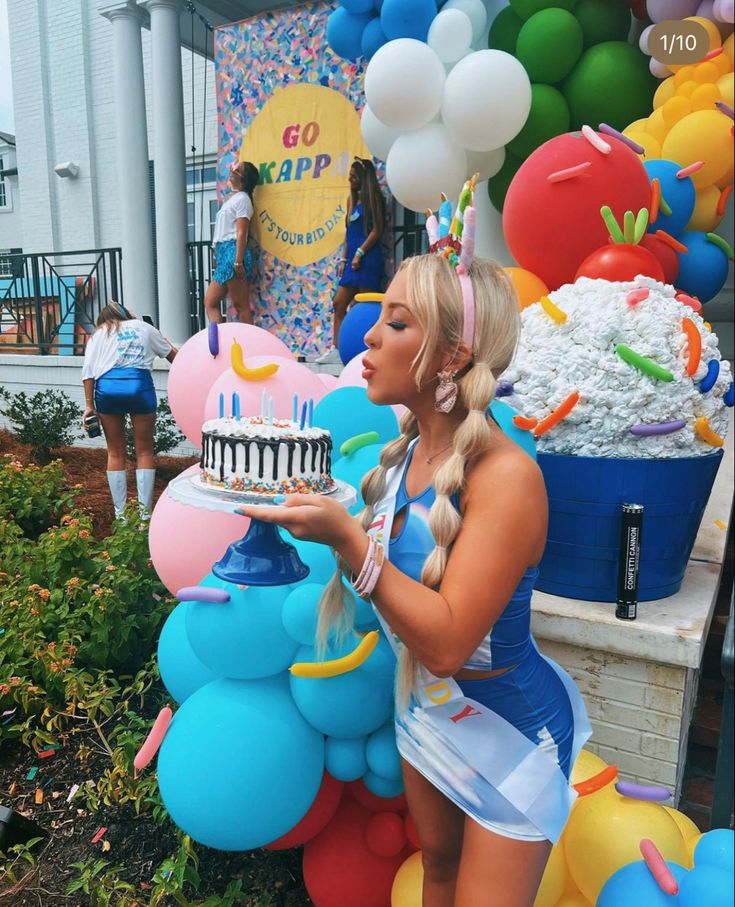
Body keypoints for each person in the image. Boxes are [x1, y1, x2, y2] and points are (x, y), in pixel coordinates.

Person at [239, 250, 589, 907]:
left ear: (452, 356)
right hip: (423, 708)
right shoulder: (402, 458)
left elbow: (449, 642)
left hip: (510, 731)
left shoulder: (506, 479)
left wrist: (346, 541)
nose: (367, 335)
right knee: (437, 868)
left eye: (395, 323)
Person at [81, 301, 177, 519]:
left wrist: (89, 406)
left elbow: (88, 373)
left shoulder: (99, 333)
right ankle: (145, 516)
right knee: (144, 451)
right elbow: (175, 357)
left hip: (108, 389)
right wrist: (164, 341)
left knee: (115, 452)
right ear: (125, 313)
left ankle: (121, 517)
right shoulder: (144, 327)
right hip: (139, 386)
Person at [316, 156, 385, 364]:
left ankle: (366, 352)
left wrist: (360, 253)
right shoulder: (351, 201)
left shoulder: (374, 200)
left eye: (354, 177)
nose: (350, 180)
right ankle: (337, 349)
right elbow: (349, 233)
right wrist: (345, 259)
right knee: (339, 303)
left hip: (368, 259)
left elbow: (377, 230)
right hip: (353, 262)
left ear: (364, 178)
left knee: (365, 308)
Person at [205, 160, 259, 325]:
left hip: (233, 252)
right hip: (224, 254)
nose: (233, 170)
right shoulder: (232, 198)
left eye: (238, 169)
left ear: (244, 178)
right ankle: (218, 343)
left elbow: (241, 231)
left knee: (240, 304)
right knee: (210, 302)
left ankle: (249, 345)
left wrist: (238, 260)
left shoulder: (243, 199)